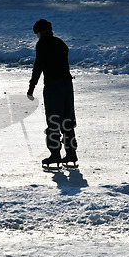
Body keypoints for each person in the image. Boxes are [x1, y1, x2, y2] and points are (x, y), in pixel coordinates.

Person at [27, 19, 78, 167]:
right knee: (67, 120)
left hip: (53, 86)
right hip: (67, 85)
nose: (37, 36)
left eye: (37, 33)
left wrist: (31, 87)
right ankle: (71, 153)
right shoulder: (61, 43)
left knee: (54, 120)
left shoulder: (42, 44)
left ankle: (55, 154)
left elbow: (38, 66)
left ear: (40, 32)